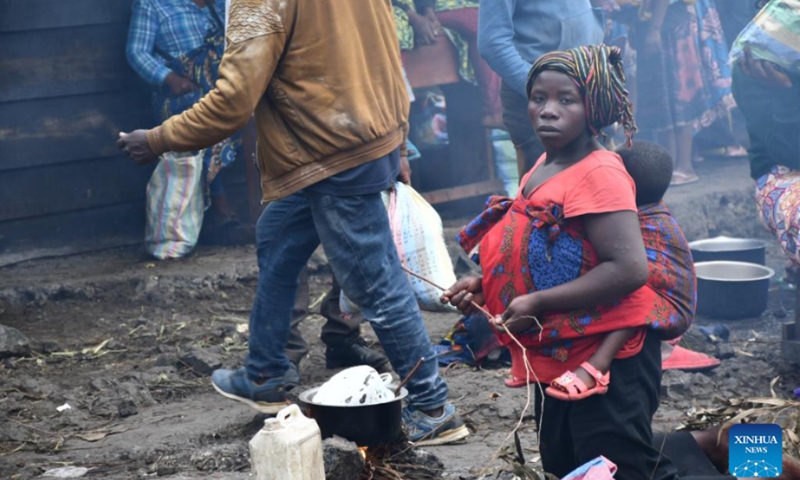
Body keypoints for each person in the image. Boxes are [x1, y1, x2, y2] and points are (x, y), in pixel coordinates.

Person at [118, 0, 467, 446]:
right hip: (356, 136)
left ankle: (433, 406)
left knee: (375, 284)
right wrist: (397, 141)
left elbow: (232, 100)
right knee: (277, 232)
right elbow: (388, 58)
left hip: (333, 150)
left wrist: (157, 138)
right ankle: (266, 371)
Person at [442, 45, 677, 478]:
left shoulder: (600, 173)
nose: (548, 111)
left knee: (613, 466)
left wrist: (539, 302)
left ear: (595, 107)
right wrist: (484, 283)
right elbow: (543, 250)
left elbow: (628, 269)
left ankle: (747, 458)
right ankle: (721, 450)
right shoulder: (544, 166)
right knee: (568, 464)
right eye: (539, 98)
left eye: (566, 100)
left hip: (608, 358)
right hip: (559, 351)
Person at [538, 141, 697, 399]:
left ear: (622, 184)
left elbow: (635, 275)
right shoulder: (651, 209)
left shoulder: (638, 221)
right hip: (664, 296)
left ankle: (597, 365)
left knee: (632, 298)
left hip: (667, 303)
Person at [126, 0, 241, 246]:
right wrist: (168, 78)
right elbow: (136, 52)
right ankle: (220, 205)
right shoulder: (153, 5)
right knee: (203, 118)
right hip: (180, 94)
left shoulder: (222, 4)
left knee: (257, 111)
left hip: (225, 90)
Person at [477, 1, 604, 176]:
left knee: (596, 180)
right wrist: (540, 91)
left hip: (586, 90)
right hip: (536, 100)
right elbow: (492, 43)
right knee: (546, 190)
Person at [624, 0, 736, 186]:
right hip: (655, 24)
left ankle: (684, 166)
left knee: (679, 98)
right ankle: (669, 165)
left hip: (668, 27)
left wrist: (654, 29)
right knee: (661, 100)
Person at [392, 0, 502, 127]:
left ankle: (495, 111)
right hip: (390, 9)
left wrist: (428, 11)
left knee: (485, 19)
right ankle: (494, 112)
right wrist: (415, 19)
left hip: (423, 7)